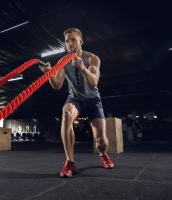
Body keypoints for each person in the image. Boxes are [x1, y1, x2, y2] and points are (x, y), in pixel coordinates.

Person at [40, 28, 114, 177]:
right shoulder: (63, 61)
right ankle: (70, 162)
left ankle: (103, 154)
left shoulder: (93, 58)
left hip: (93, 101)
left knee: (101, 141)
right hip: (75, 100)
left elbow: (94, 82)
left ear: (81, 41)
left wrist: (82, 68)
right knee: (66, 113)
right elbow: (57, 85)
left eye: (73, 40)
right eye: (67, 41)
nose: (69, 44)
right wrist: (49, 73)